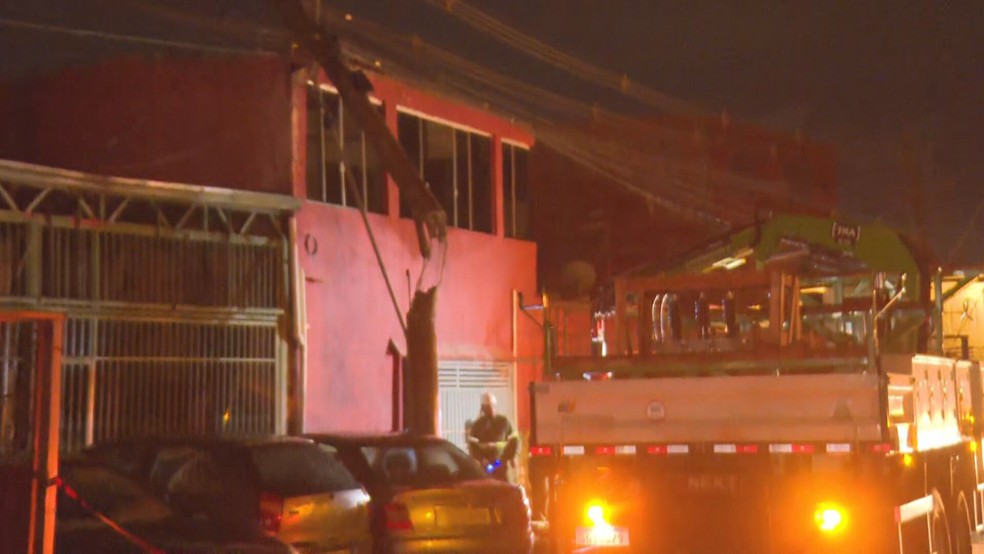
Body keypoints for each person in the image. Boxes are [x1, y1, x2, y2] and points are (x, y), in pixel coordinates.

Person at [467, 392, 519, 483]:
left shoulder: (504, 422)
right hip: (486, 465)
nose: (490, 409)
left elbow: (515, 440)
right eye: (487, 407)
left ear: (495, 406)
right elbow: (472, 445)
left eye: (492, 406)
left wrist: (513, 456)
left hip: (501, 462)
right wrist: (481, 459)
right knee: (488, 488)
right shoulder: (477, 425)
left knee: (506, 487)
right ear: (483, 408)